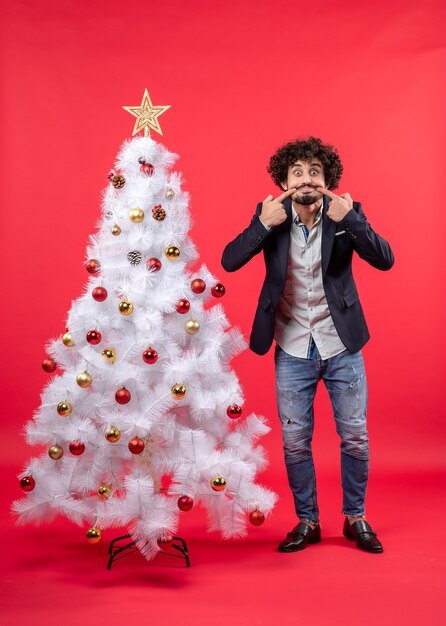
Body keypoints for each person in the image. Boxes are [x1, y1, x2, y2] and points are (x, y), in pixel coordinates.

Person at [221, 137, 394, 554]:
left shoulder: (346, 214)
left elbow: (385, 258)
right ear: (284, 182)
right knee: (296, 440)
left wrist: (351, 218)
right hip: (292, 345)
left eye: (314, 172)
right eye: (297, 172)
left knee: (355, 436)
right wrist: (262, 224)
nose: (306, 179)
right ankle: (308, 520)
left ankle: (355, 518)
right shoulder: (272, 217)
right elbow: (229, 260)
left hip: (342, 346)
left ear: (327, 181)